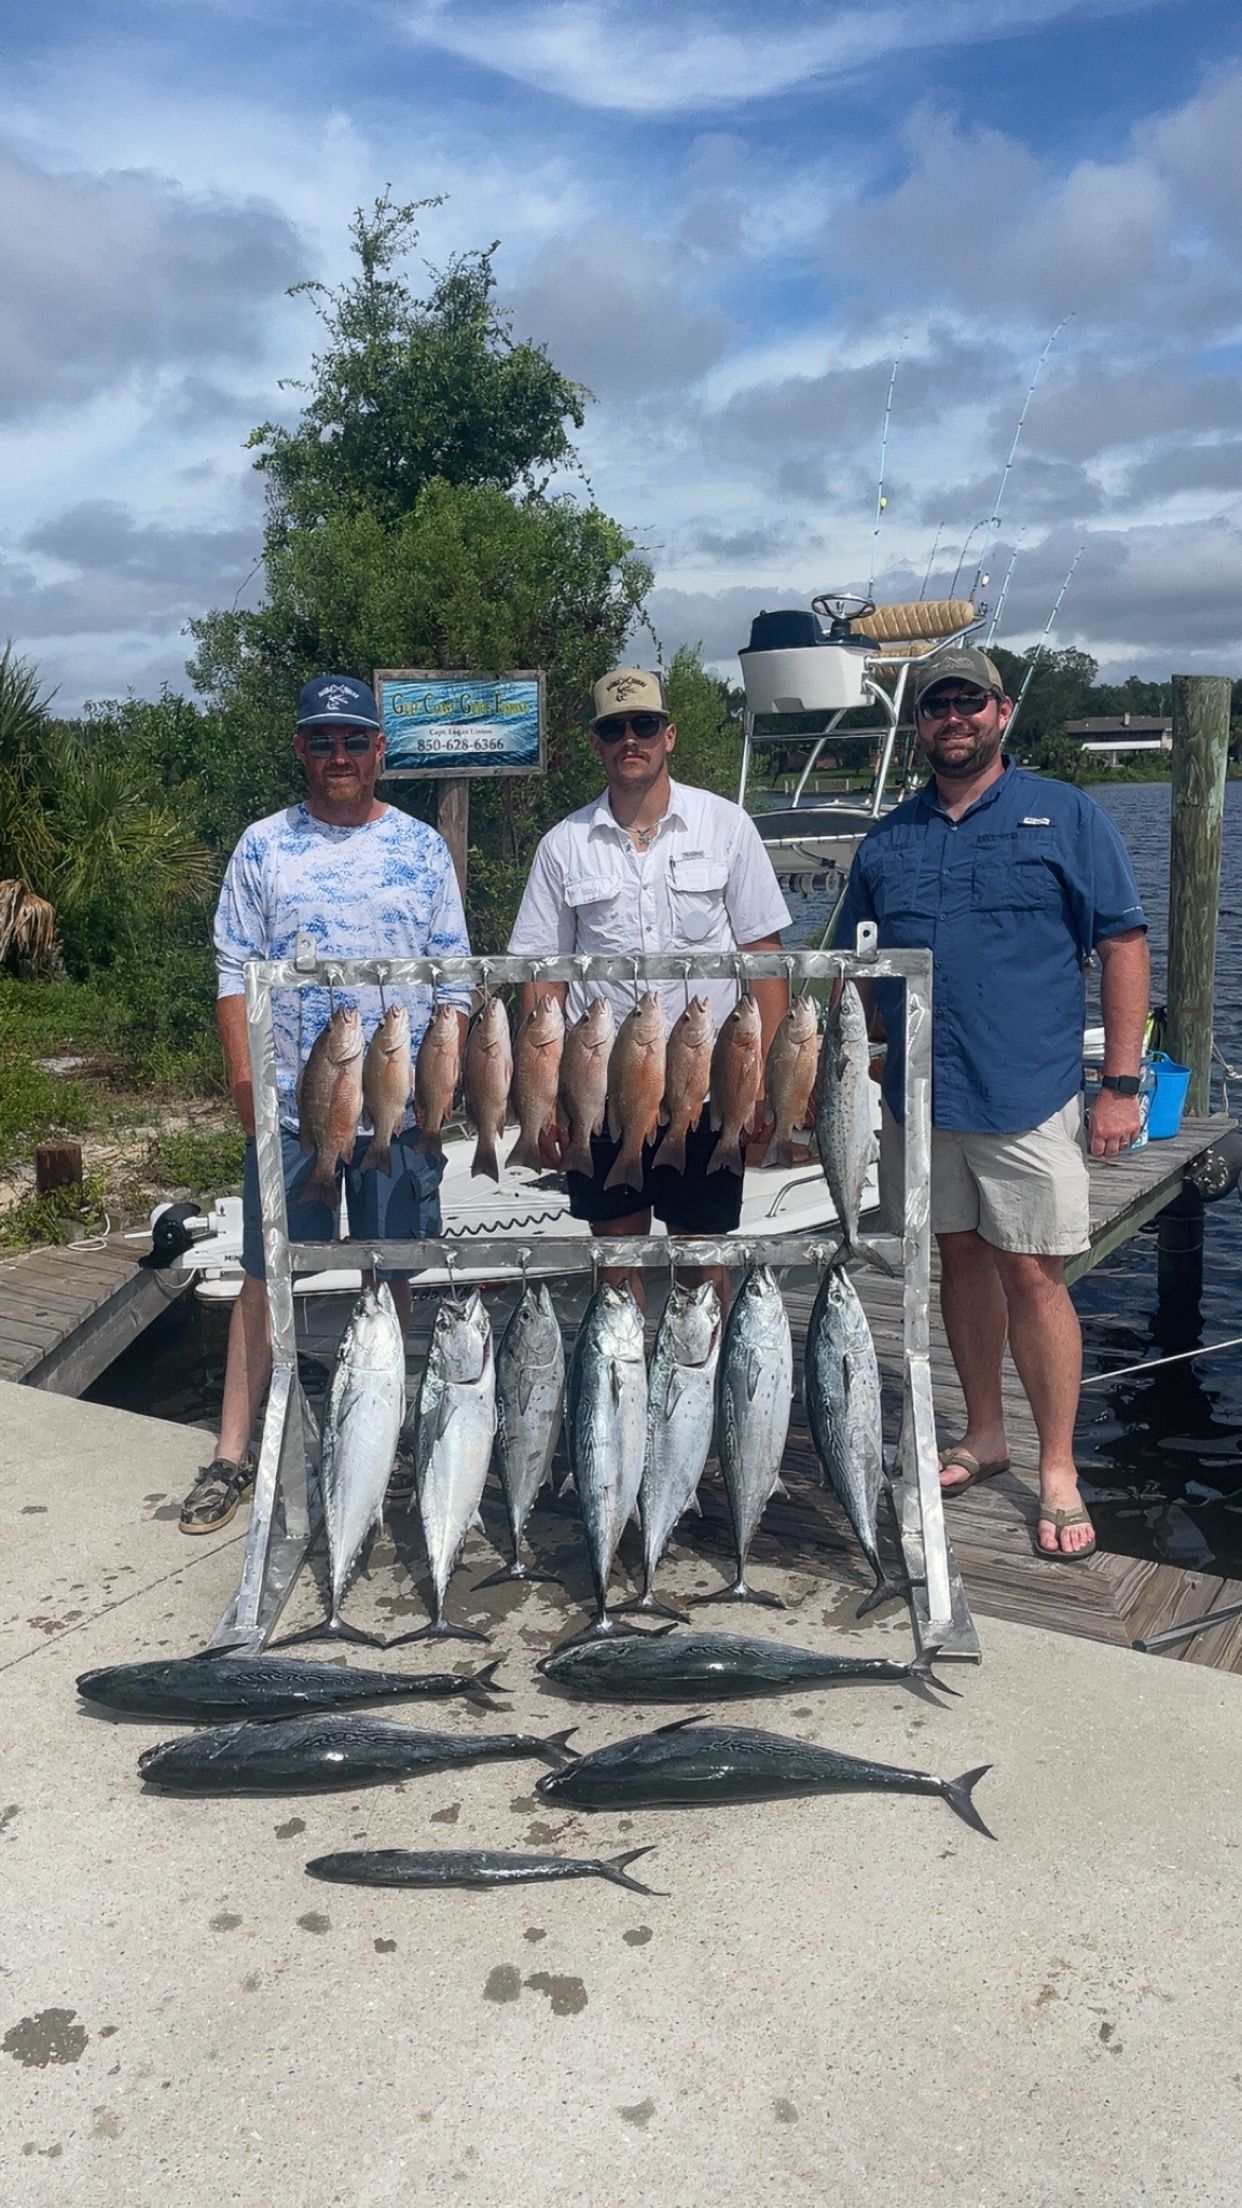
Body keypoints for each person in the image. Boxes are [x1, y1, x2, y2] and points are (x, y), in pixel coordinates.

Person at [834, 644, 1149, 1561]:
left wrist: (1120, 1084)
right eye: (938, 707)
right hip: (917, 1101)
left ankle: (1057, 1467)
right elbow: (856, 969)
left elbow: (1123, 945)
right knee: (957, 1259)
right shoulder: (886, 838)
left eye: (970, 703)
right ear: (921, 726)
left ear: (1001, 713)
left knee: (1036, 1274)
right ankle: (984, 1432)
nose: (954, 719)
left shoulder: (1067, 814)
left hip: (1027, 1092)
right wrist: (858, 1061)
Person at [178, 674, 471, 1533]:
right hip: (293, 1108)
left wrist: (440, 1094)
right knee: (265, 1278)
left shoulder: (421, 849)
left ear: (380, 750)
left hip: (395, 1110)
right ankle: (231, 1455)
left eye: (353, 740)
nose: (337, 755)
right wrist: (247, 1094)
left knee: (393, 1274)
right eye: (321, 740)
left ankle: (390, 1439)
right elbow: (233, 974)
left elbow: (452, 974)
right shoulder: (263, 846)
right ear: (301, 749)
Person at [507, 666, 792, 1291]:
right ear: (596, 743)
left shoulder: (728, 825)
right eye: (614, 728)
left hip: (710, 1080)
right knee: (616, 1263)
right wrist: (549, 1092)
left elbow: (764, 959)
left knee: (702, 1259)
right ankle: (625, 1386)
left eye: (643, 724)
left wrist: (767, 1082)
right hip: (601, 1085)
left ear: (669, 735)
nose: (629, 739)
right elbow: (541, 980)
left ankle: (704, 1387)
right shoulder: (563, 845)